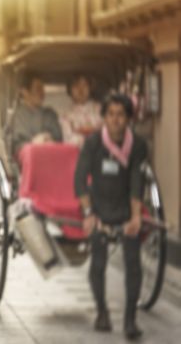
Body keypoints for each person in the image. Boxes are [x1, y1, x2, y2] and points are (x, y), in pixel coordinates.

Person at [74, 94, 147, 340]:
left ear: (128, 118)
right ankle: (102, 312)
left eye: (121, 115)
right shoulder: (93, 142)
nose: (116, 120)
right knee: (98, 264)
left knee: (134, 266)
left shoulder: (137, 145)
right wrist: (88, 213)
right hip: (99, 210)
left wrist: (136, 216)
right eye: (111, 114)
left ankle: (130, 320)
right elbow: (80, 179)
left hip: (126, 210)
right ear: (104, 117)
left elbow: (138, 181)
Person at [9, 74, 63, 156]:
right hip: (28, 160)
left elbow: (59, 139)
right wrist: (33, 143)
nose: (42, 93)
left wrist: (48, 138)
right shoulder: (17, 116)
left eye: (42, 89)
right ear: (25, 92)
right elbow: (15, 145)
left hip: (51, 156)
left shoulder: (50, 114)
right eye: (38, 89)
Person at [60, 74, 103, 147]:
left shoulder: (101, 109)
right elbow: (68, 141)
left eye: (84, 85)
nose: (80, 89)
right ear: (70, 90)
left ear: (90, 88)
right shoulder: (65, 116)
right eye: (76, 86)